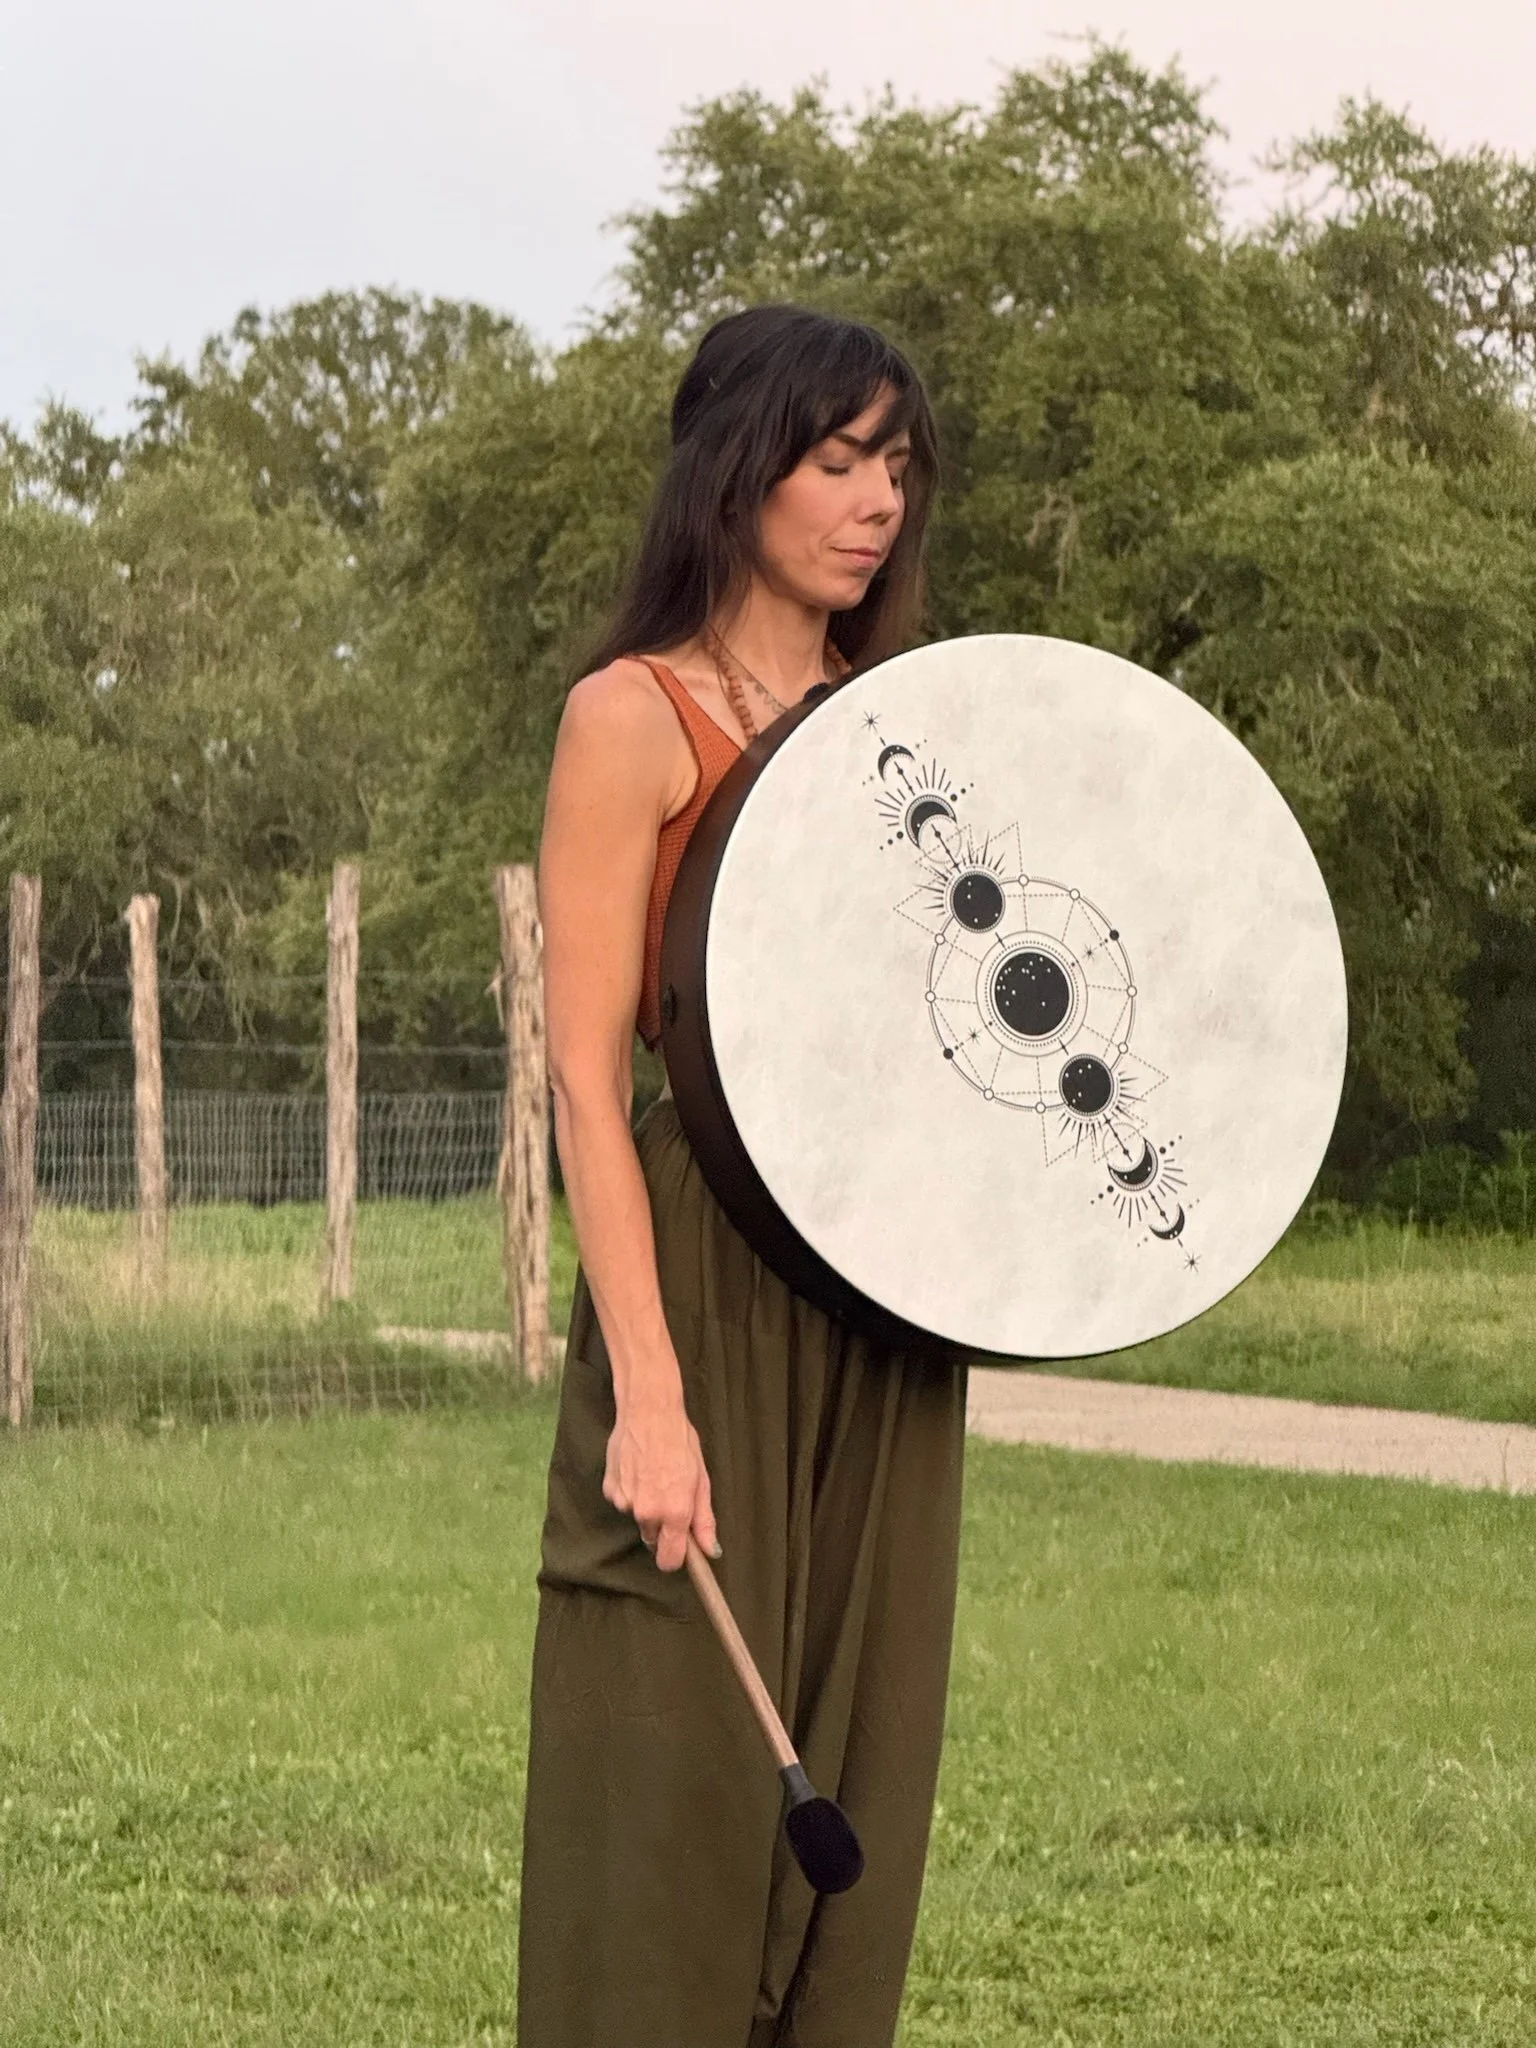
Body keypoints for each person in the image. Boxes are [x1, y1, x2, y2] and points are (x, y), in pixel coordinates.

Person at [519, 303, 968, 2048]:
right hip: (704, 1261)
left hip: (887, 1285)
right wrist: (650, 1391)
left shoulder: (902, 734)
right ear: (738, 471)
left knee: (863, 1745)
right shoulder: (629, 717)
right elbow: (582, 1072)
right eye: (839, 460)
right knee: (675, 1770)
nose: (879, 502)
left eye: (896, 466)